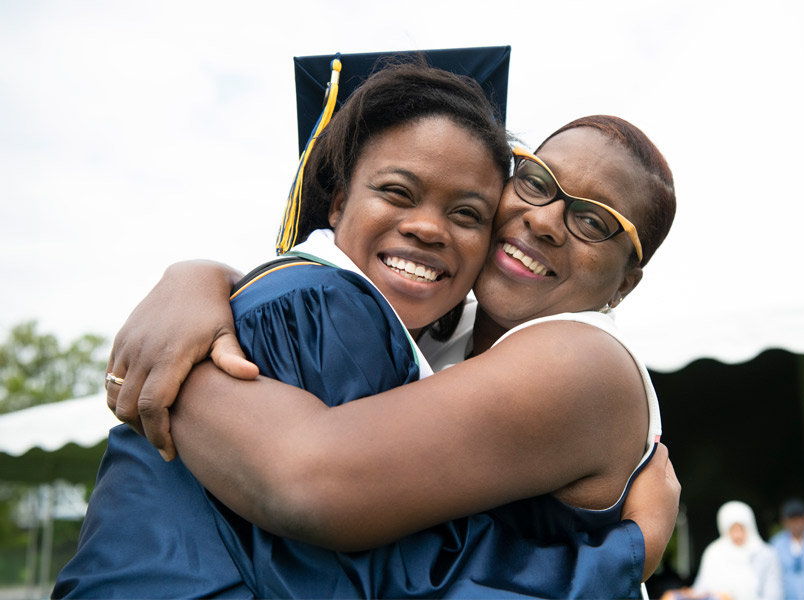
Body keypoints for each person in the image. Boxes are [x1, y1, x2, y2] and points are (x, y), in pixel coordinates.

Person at [74, 71, 680, 598]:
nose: (545, 220)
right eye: (538, 181)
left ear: (625, 284)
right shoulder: (448, 334)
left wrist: (168, 374)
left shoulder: (582, 359)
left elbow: (307, 483)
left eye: (594, 221)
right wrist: (197, 281)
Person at [663, 501, 783, 600]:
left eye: (741, 528)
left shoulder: (765, 554)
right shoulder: (714, 552)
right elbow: (702, 588)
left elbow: (774, 594)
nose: (737, 535)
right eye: (732, 529)